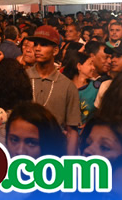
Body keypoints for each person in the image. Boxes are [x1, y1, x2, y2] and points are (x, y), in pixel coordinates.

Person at [25, 25, 81, 154]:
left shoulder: (67, 86)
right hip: (25, 151)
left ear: (55, 51)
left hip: (54, 151)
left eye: (44, 45)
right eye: (36, 44)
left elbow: (72, 131)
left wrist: (69, 162)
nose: (37, 48)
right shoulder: (23, 78)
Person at [62, 51, 99, 125]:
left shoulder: (96, 88)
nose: (93, 68)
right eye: (90, 64)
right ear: (79, 66)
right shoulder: (63, 86)